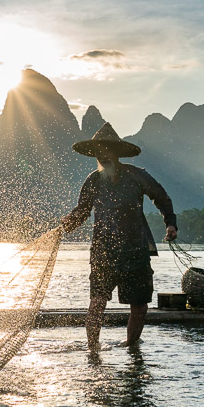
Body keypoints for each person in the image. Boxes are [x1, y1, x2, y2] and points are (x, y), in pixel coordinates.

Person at [59, 122, 177, 348]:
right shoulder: (93, 181)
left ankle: (131, 346)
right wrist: (66, 225)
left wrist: (170, 224)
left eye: (106, 151)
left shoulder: (137, 176)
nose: (102, 156)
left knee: (140, 304)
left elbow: (162, 198)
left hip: (135, 250)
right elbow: (82, 211)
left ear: (117, 153)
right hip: (103, 251)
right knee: (97, 302)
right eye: (98, 152)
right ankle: (92, 349)